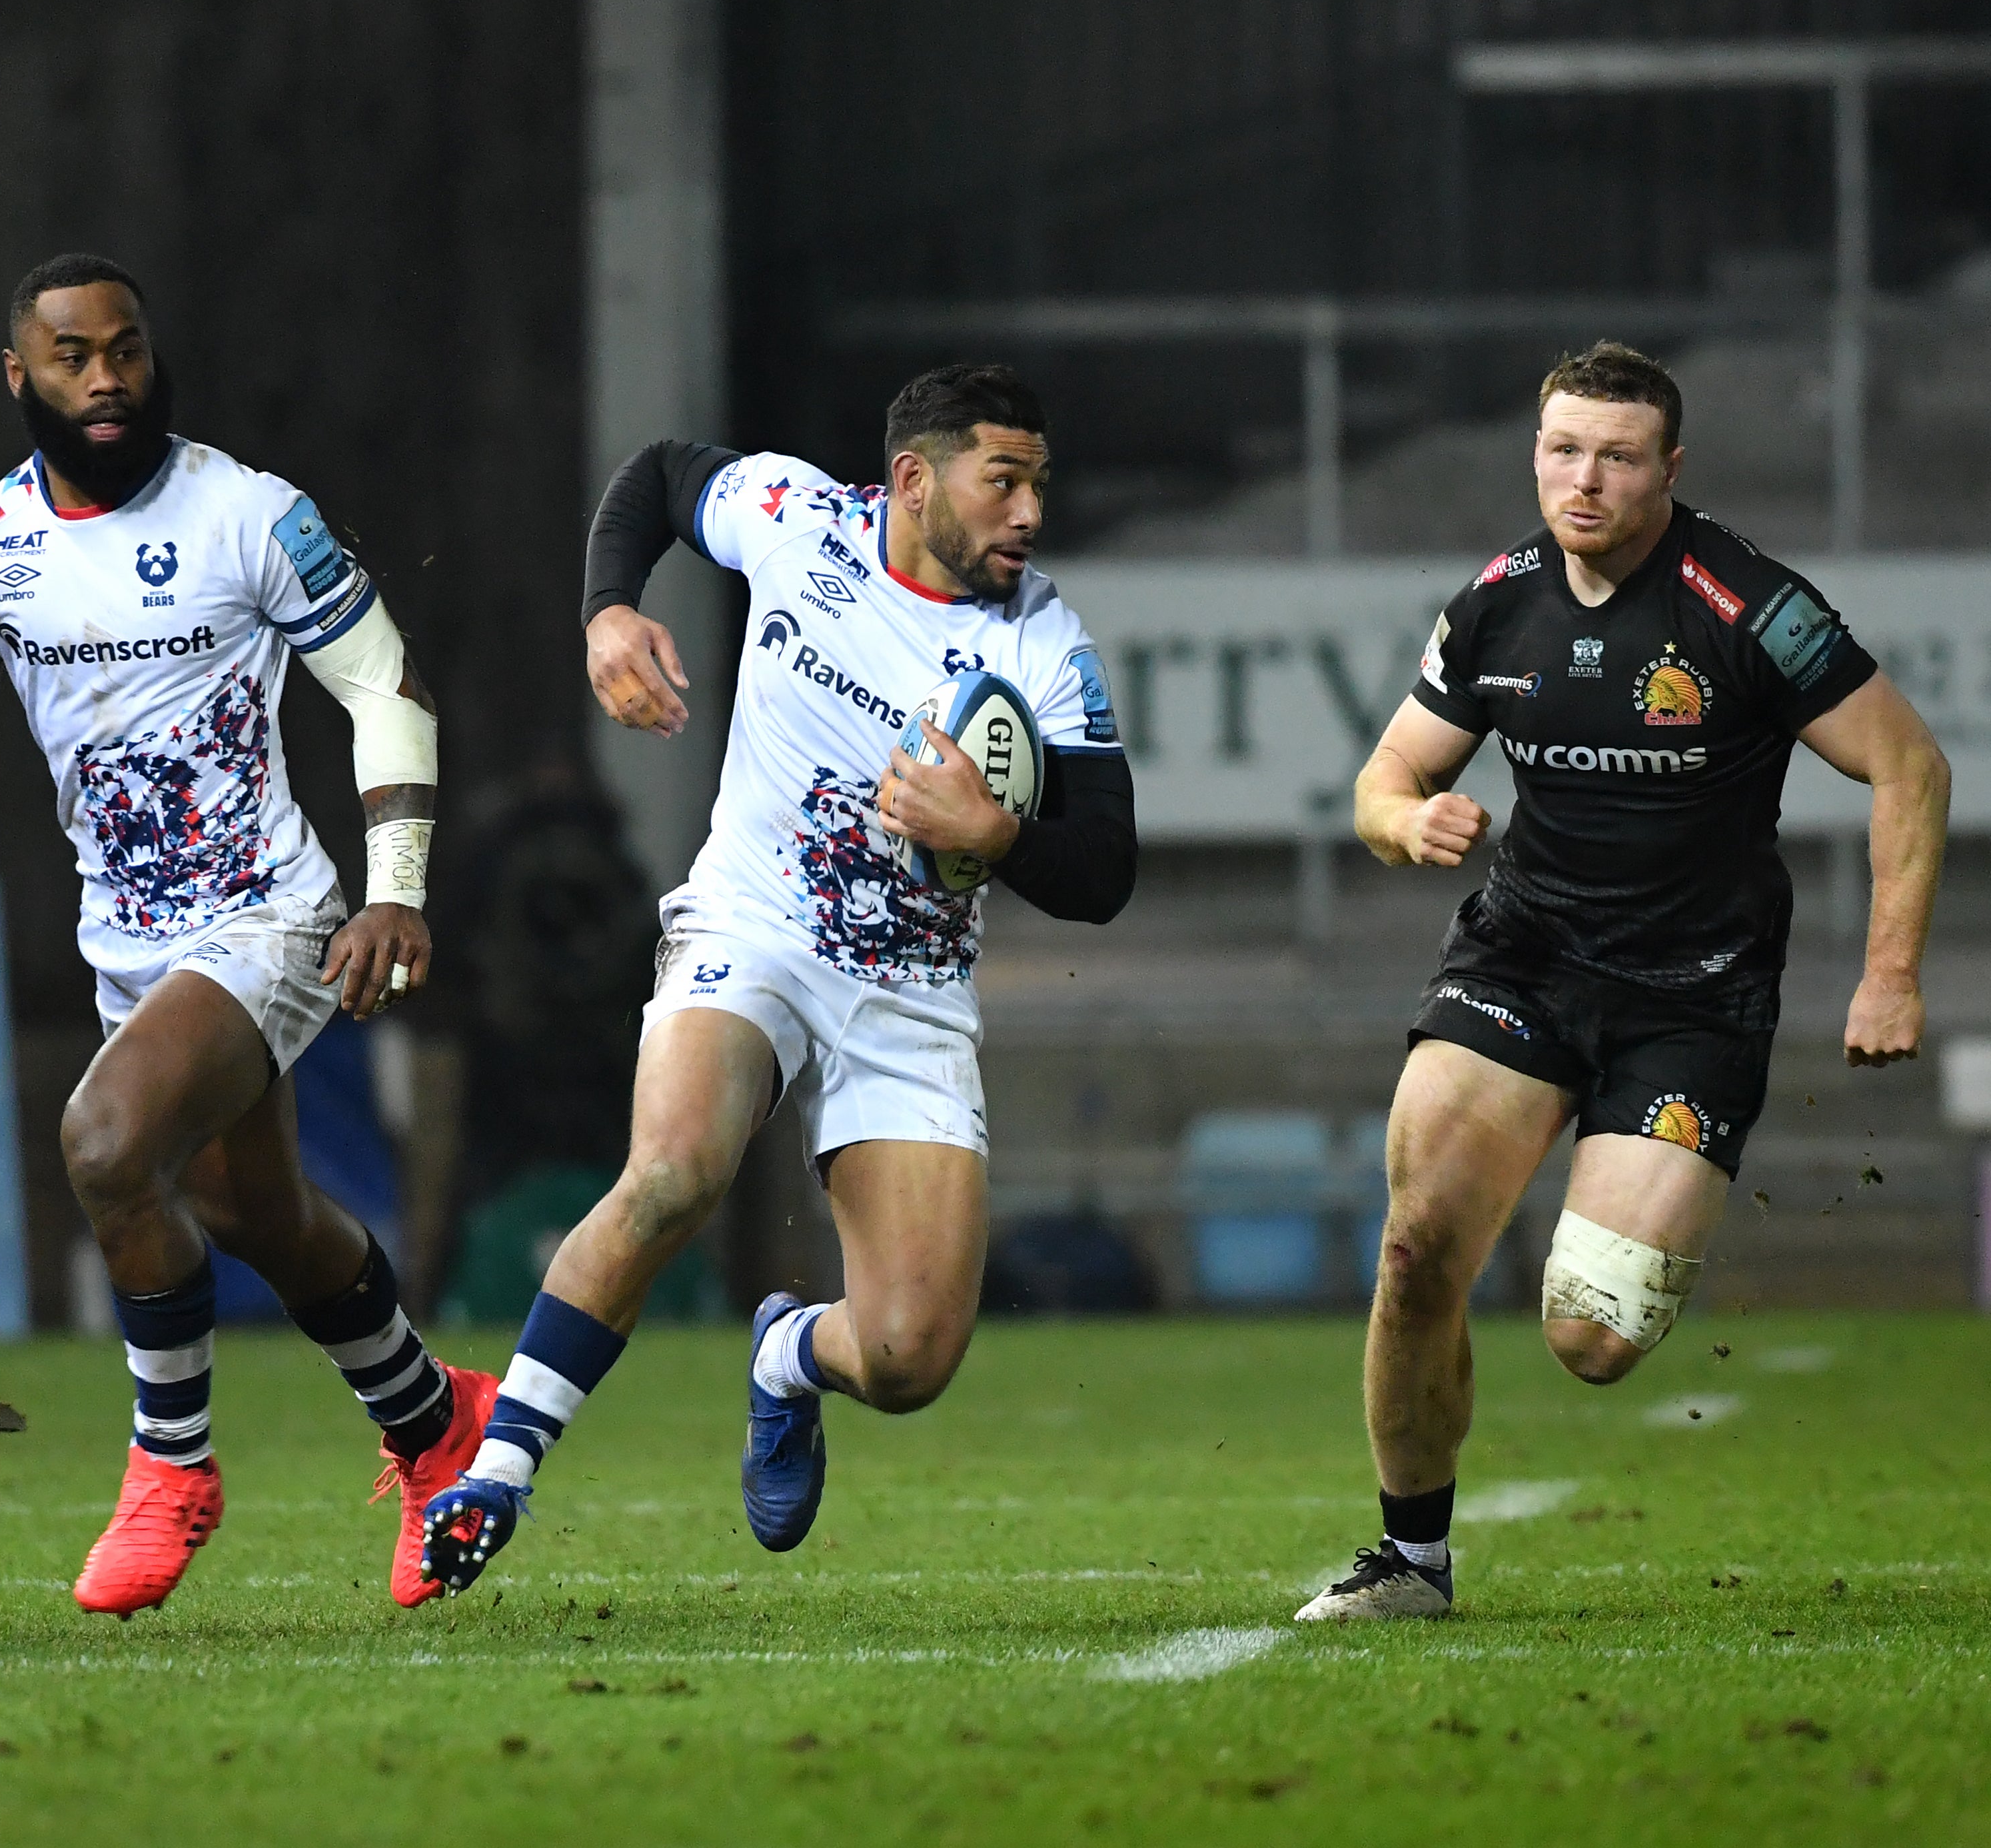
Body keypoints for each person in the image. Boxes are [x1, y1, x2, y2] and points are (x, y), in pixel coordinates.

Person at [418, 363, 1139, 1593]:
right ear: (913, 480)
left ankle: (788, 1354)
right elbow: (651, 480)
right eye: (1002, 481)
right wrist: (607, 611)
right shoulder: (796, 519)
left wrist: (995, 832)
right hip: (752, 923)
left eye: (1039, 485)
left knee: (909, 1358)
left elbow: (1105, 870)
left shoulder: (1043, 646)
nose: (1028, 513)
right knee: (673, 1168)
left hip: (908, 987)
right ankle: (496, 1468)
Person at [1296, 342, 1950, 1622]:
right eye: (1560, 449)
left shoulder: (1747, 604)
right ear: (1533, 451)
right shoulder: (1496, 600)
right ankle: (1410, 1563)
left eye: (1615, 455)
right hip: (1523, 959)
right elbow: (1383, 781)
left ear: (1668, 468)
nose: (1581, 480)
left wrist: (1888, 976)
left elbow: (1910, 767)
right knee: (1418, 1244)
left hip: (1692, 997)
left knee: (1590, 1337)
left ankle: (1631, 1185)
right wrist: (1403, 826)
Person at [0, 254, 491, 1615]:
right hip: (131, 943)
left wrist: (394, 886)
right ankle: (432, 1423)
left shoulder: (252, 517)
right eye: (72, 358)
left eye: (125, 351)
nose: (106, 380)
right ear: (19, 377)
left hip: (269, 919)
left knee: (105, 1143)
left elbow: (385, 689)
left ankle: (173, 1468)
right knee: (248, 1211)